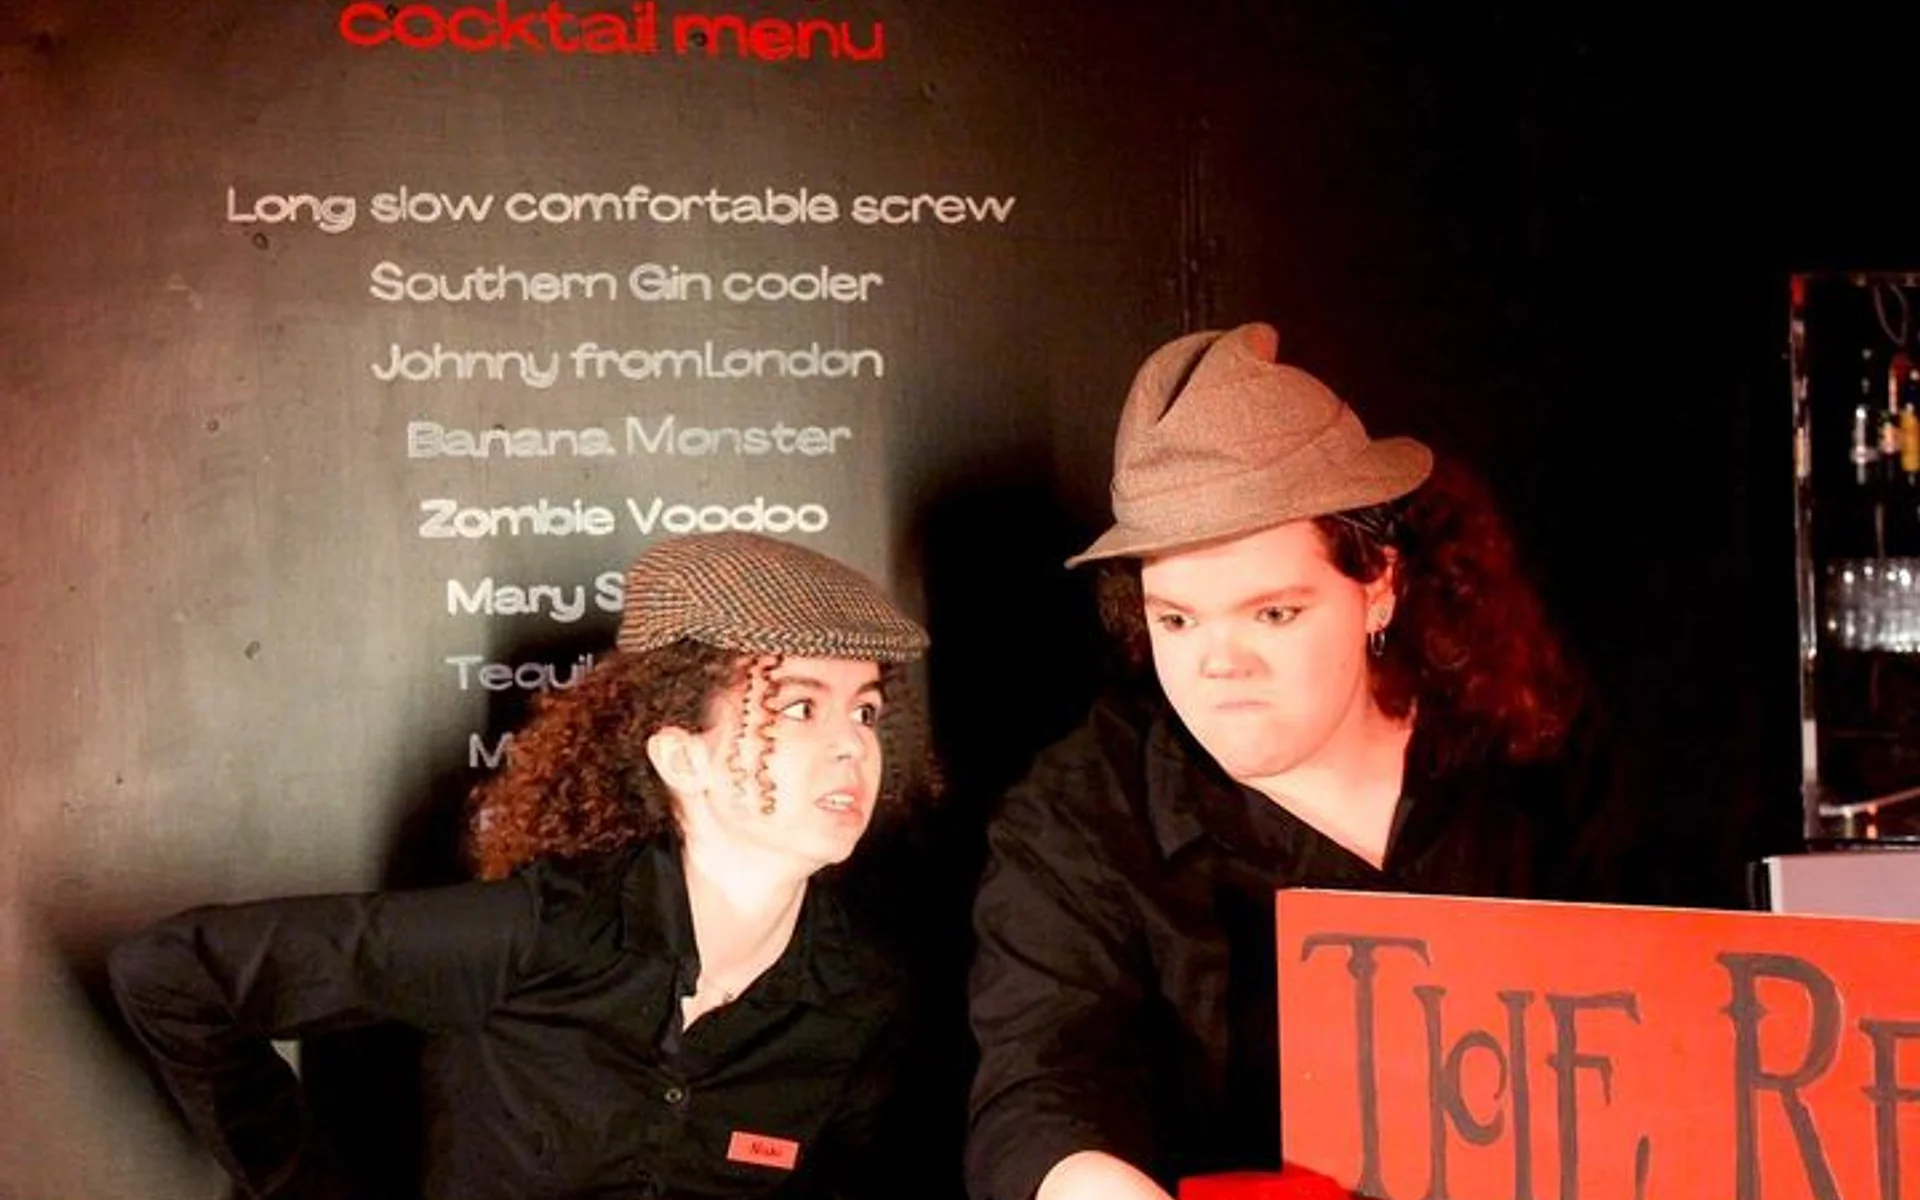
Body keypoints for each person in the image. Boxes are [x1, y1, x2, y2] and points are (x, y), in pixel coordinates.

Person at [965, 323, 1644, 1200]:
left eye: (1273, 614)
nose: (1219, 665)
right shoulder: (1081, 816)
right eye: (1178, 620)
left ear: (1379, 585)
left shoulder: (1526, 753)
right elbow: (1041, 1091)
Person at [109, 531, 934, 1200]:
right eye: (800, 707)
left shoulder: (859, 996)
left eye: (865, 711)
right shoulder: (534, 934)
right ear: (683, 758)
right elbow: (174, 972)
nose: (851, 746)